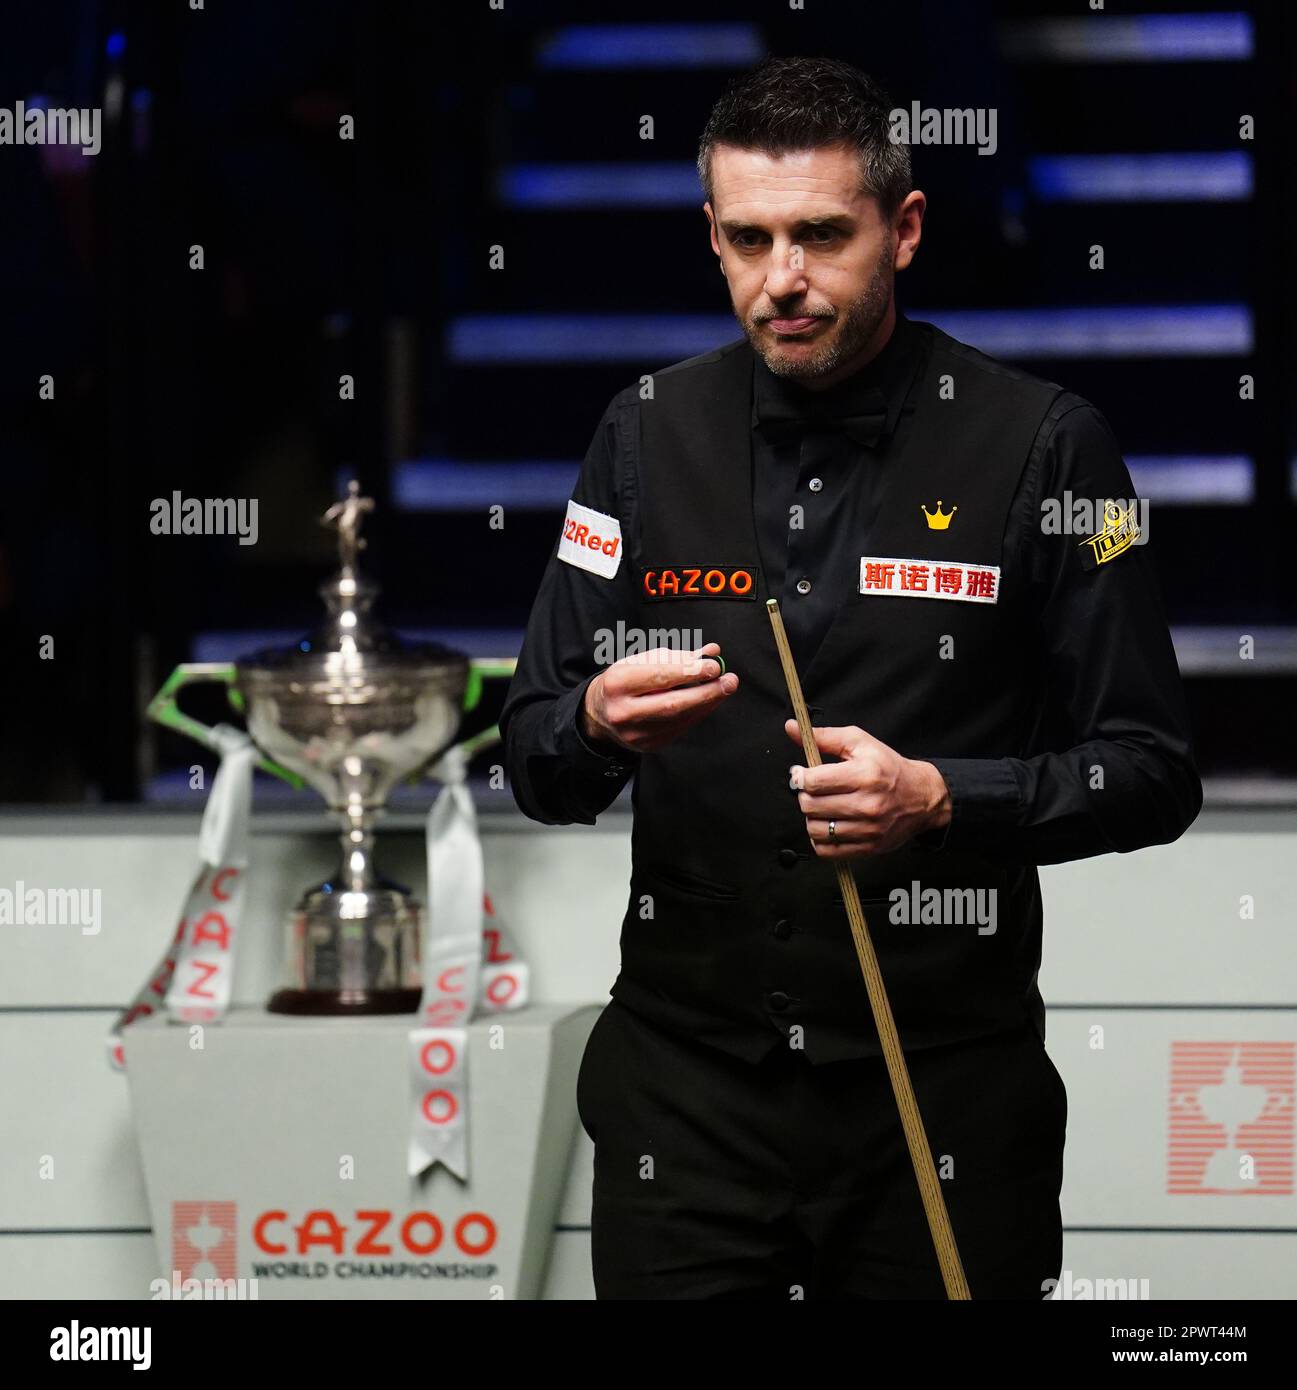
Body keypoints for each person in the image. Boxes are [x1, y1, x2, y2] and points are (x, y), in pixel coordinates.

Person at [498, 55, 1202, 1299]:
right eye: (749, 237)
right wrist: (596, 723)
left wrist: (944, 797)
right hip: (685, 1103)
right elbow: (536, 758)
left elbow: (1149, 769)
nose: (783, 281)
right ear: (709, 236)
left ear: (904, 227)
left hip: (940, 1102)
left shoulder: (1048, 444)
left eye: (823, 236)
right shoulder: (639, 434)